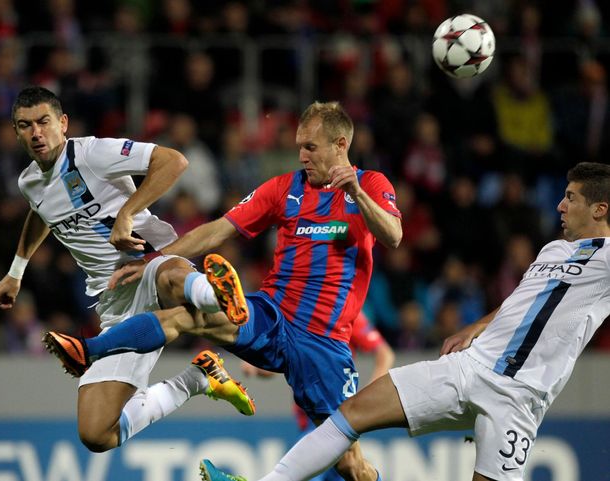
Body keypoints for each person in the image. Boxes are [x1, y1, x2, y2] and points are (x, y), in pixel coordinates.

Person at [46, 101, 403, 481]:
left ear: (340, 144)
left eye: (310, 148)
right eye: (300, 146)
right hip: (271, 316)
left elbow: (393, 236)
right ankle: (89, 350)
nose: (301, 155)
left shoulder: (372, 185)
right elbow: (220, 229)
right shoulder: (285, 188)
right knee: (187, 318)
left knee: (351, 466)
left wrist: (359, 195)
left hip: (324, 342)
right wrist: (154, 259)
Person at [199, 161, 610, 481]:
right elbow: (521, 303)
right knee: (349, 414)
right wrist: (475, 327)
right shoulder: (554, 251)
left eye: (571, 198)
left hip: (519, 397)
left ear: (600, 208)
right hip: (469, 366)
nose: (560, 205)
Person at [0, 86, 255, 454]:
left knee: (169, 276)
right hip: (114, 302)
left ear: (63, 123)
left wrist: (128, 213)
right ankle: (198, 378)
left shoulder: (92, 152)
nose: (36, 133)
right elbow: (41, 213)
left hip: (144, 263)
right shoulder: (29, 182)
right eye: (24, 126)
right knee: (95, 433)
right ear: (16, 131)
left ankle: (218, 294)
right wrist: (16, 271)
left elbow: (174, 161)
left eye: (43, 122)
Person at [241, 310, 395, 481]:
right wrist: (257, 366)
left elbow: (384, 354)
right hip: (310, 414)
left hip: (330, 412)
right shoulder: (297, 308)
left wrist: (367, 399)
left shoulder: (344, 310)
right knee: (349, 469)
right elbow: (282, 361)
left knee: (307, 472)